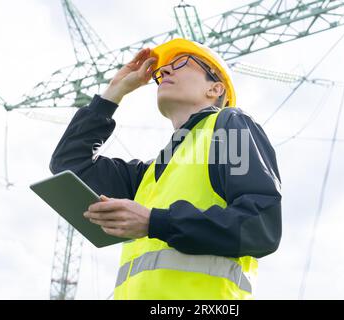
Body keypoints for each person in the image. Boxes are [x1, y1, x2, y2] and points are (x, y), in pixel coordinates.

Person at [49, 38, 282, 300]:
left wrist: (153, 222)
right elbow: (69, 164)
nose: (165, 71)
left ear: (215, 88)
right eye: (161, 72)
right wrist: (113, 92)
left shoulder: (229, 125)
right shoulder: (150, 175)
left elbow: (260, 225)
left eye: (181, 63)